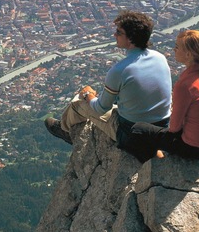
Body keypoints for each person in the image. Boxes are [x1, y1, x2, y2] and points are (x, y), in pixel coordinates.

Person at [45, 10, 172, 152]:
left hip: (131, 134)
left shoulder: (120, 70)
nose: (114, 35)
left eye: (119, 32)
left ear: (130, 38)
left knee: (77, 103)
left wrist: (88, 95)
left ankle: (66, 131)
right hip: (162, 128)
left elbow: (101, 108)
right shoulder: (160, 58)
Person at [128, 29, 199, 162]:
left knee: (137, 130)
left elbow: (174, 128)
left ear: (188, 54)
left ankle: (156, 161)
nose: (174, 50)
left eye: (177, 47)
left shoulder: (186, 85)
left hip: (195, 148)